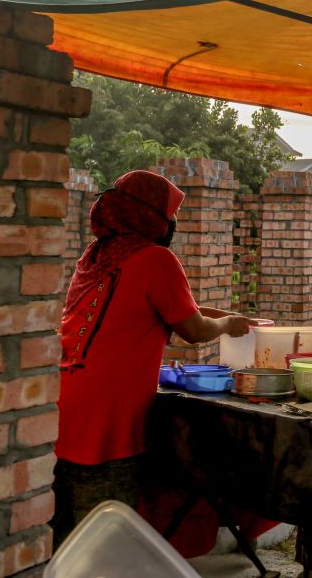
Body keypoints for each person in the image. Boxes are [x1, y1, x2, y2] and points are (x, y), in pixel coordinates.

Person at [52, 170, 251, 548]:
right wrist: (225, 324)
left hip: (62, 409)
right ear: (151, 216)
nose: (172, 223)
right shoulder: (156, 259)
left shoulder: (96, 256)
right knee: (102, 539)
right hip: (106, 422)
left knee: (60, 537)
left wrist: (209, 313)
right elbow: (192, 331)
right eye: (169, 214)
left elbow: (161, 309)